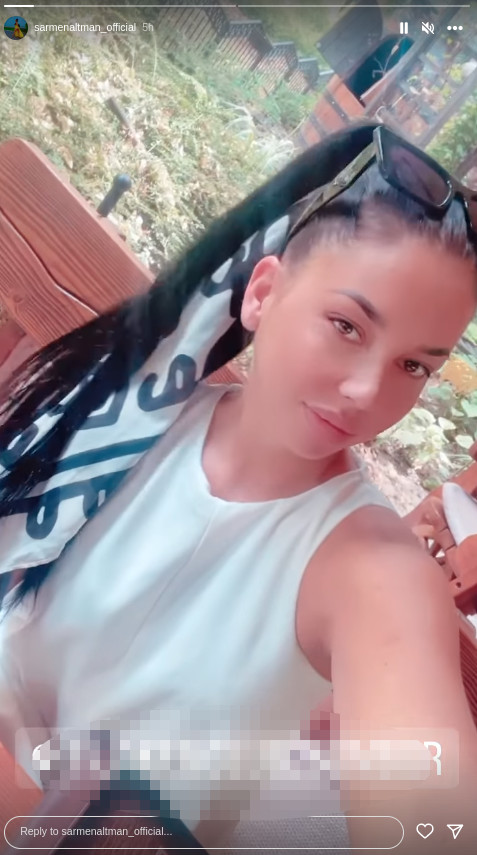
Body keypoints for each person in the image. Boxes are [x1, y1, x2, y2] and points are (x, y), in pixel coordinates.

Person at [0, 122, 476, 852]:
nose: (364, 391)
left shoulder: (373, 571)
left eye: (413, 366)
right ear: (263, 292)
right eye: (346, 325)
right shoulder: (127, 419)